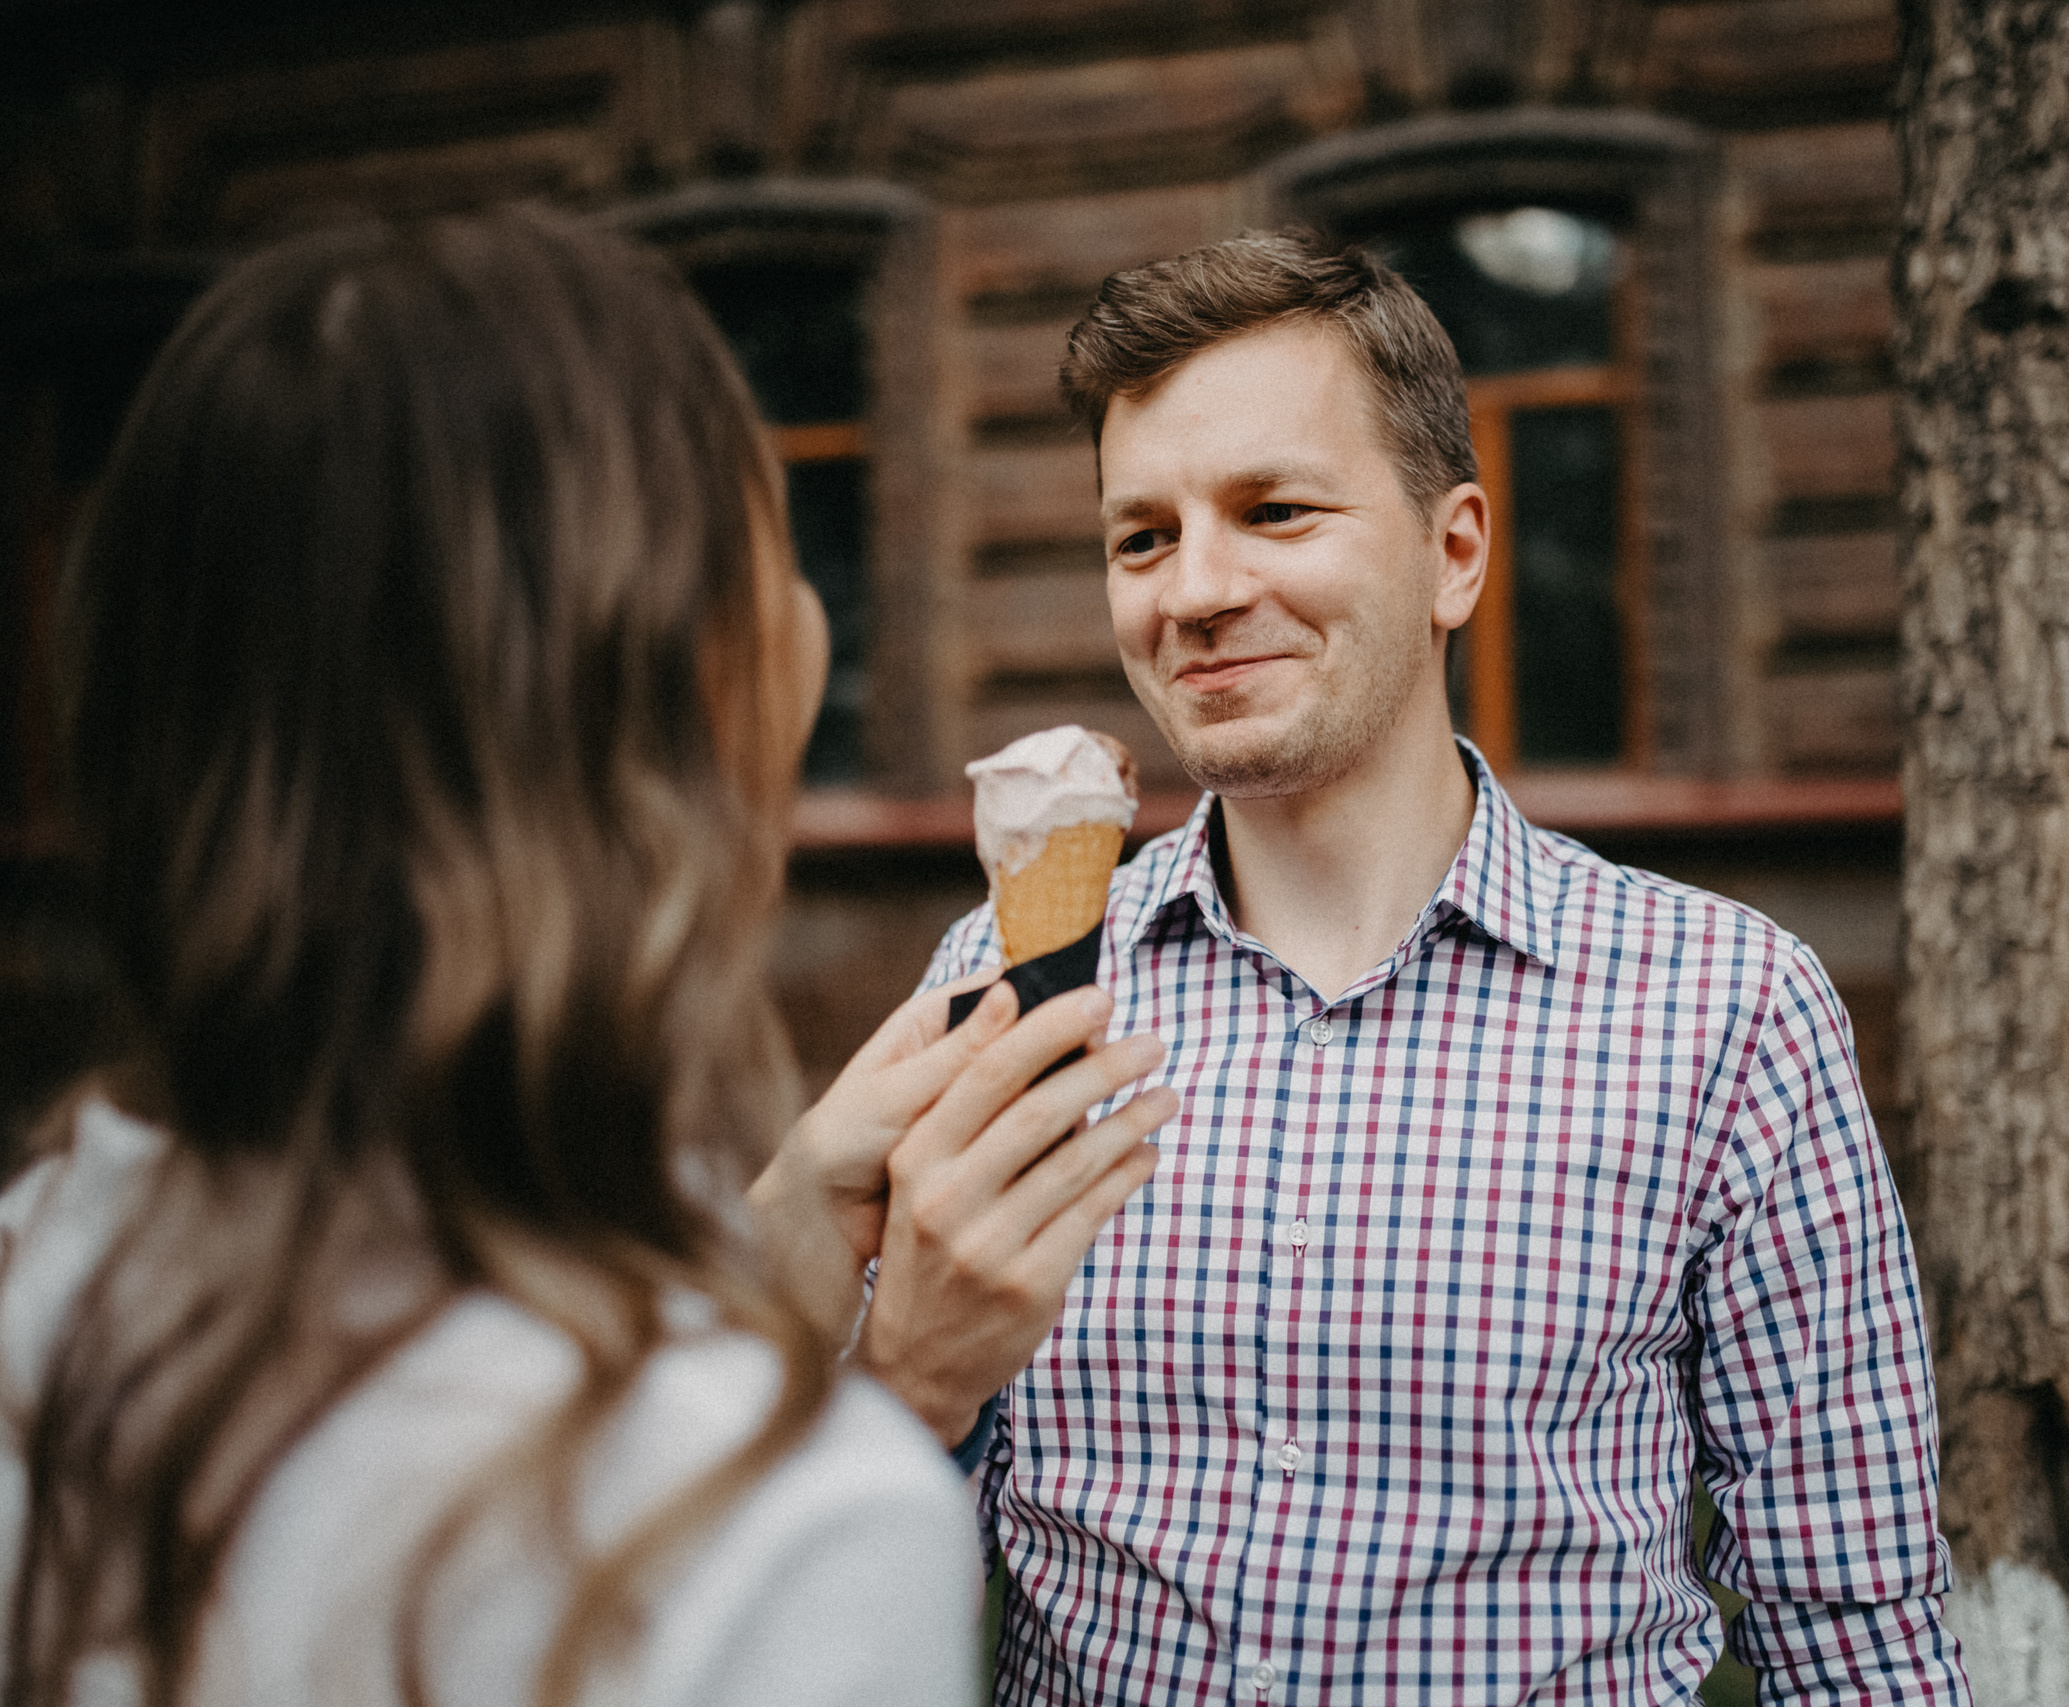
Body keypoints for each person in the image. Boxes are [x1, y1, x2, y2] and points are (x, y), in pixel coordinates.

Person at [0, 206, 1169, 1707]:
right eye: (778, 556)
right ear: (707, 698)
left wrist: (787, 1228)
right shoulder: (776, 1520)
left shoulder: (38, 1261)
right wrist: (902, 1398)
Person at [878, 232, 1969, 1701]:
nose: (1193, 591)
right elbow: (860, 1554)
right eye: (1142, 537)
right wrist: (903, 1381)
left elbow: (1854, 1630)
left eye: (1272, 511)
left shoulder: (1723, 1009)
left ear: (1455, 553)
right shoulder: (1008, 985)